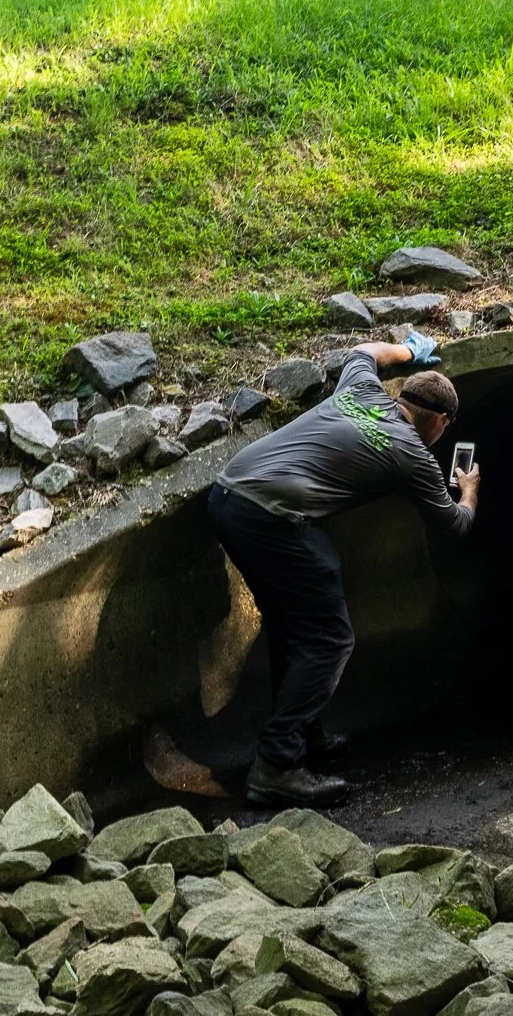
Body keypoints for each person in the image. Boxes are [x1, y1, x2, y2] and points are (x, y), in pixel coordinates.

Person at [207, 332, 481, 807]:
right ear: (441, 421)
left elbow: (362, 352)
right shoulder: (413, 454)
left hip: (227, 495)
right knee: (330, 639)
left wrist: (408, 351)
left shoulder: (361, 388)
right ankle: (276, 767)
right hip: (271, 517)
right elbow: (454, 525)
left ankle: (302, 736)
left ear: (400, 394)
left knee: (295, 624)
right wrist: (470, 491)